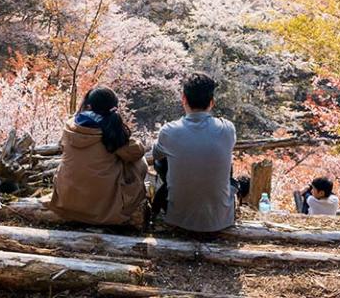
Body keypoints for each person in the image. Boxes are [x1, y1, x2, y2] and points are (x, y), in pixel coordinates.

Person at [49, 86, 148, 226]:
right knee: (139, 161)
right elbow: (137, 151)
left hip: (67, 201)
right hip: (103, 209)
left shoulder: (70, 126)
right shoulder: (111, 130)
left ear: (88, 105)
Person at [153, 73, 236, 233]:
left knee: (161, 162)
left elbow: (156, 155)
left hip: (177, 219)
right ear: (212, 102)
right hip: (219, 220)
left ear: (183, 99)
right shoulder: (228, 129)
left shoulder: (169, 131)